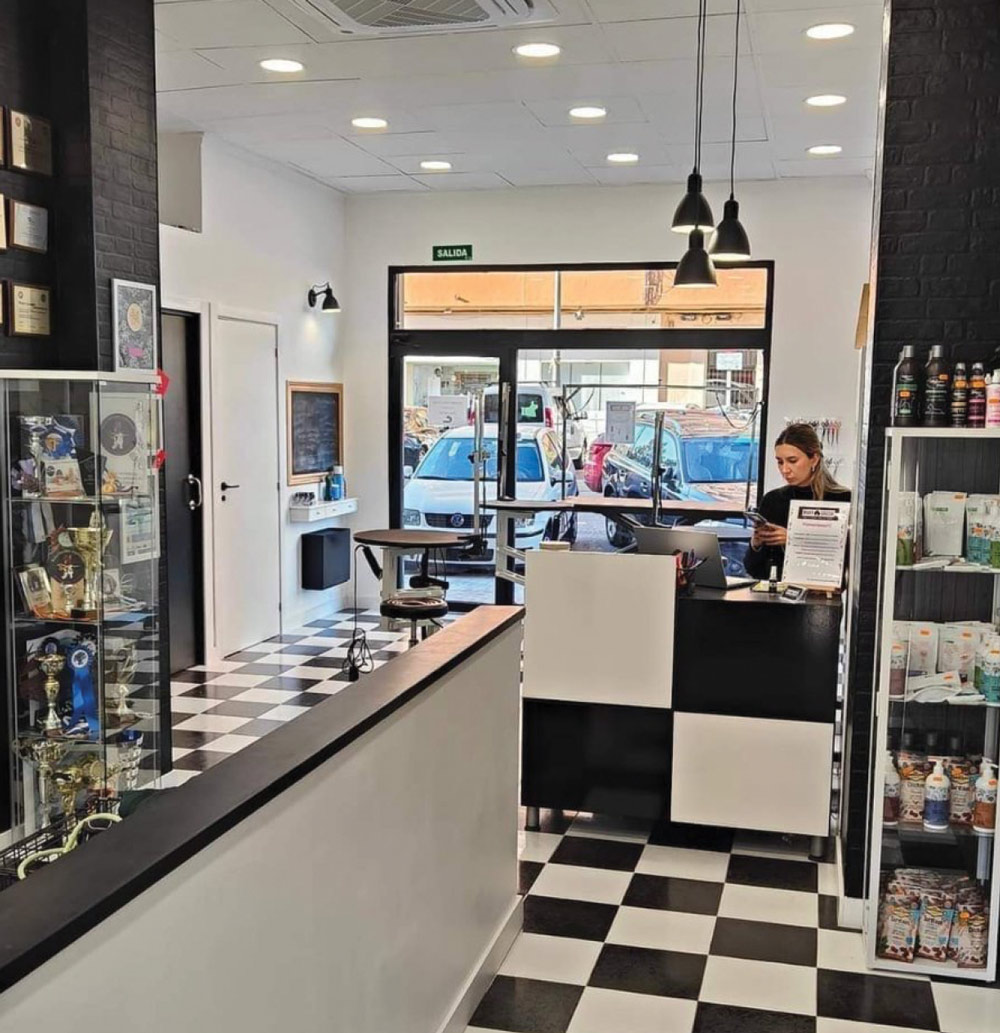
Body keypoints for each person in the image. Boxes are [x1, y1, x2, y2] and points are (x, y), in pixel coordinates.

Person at [744, 423, 851, 581]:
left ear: (814, 459)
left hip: (820, 597)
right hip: (775, 598)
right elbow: (754, 569)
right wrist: (756, 544)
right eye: (780, 462)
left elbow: (844, 561)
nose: (785, 469)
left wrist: (793, 540)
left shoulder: (842, 499)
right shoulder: (772, 500)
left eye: (792, 461)